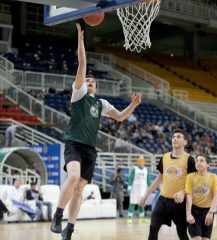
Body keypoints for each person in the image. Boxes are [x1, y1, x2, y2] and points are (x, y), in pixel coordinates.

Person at [50, 23, 141, 240]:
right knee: (72, 178)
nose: (89, 81)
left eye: (93, 81)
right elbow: (82, 64)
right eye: (88, 80)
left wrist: (133, 105)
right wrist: (80, 41)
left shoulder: (101, 103)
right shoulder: (78, 94)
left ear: (96, 88)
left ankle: (69, 229)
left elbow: (120, 117)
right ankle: (58, 216)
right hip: (74, 142)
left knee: (80, 190)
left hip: (90, 149)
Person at [140, 129, 196, 240]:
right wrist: (146, 194)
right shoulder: (165, 157)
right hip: (163, 200)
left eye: (179, 136)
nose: (175, 138)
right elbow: (159, 178)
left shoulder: (189, 159)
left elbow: (194, 183)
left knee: (181, 231)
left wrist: (182, 192)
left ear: (185, 142)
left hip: (180, 202)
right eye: (173, 136)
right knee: (153, 227)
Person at [185, 154, 217, 240]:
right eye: (197, 161)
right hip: (194, 210)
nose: (198, 162)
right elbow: (188, 196)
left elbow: (216, 196)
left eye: (201, 160)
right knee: (197, 238)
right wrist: (188, 214)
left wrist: (211, 212)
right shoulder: (190, 176)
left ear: (208, 164)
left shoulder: (213, 177)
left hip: (208, 211)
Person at [127, 155, 150, 224]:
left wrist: (149, 189)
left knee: (141, 203)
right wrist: (129, 187)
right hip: (135, 189)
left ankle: (141, 219)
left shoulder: (146, 170)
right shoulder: (134, 169)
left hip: (143, 189)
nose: (141, 162)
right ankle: (129, 218)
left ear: (144, 162)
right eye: (139, 161)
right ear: (137, 162)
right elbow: (130, 178)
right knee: (132, 203)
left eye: (142, 161)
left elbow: (148, 180)